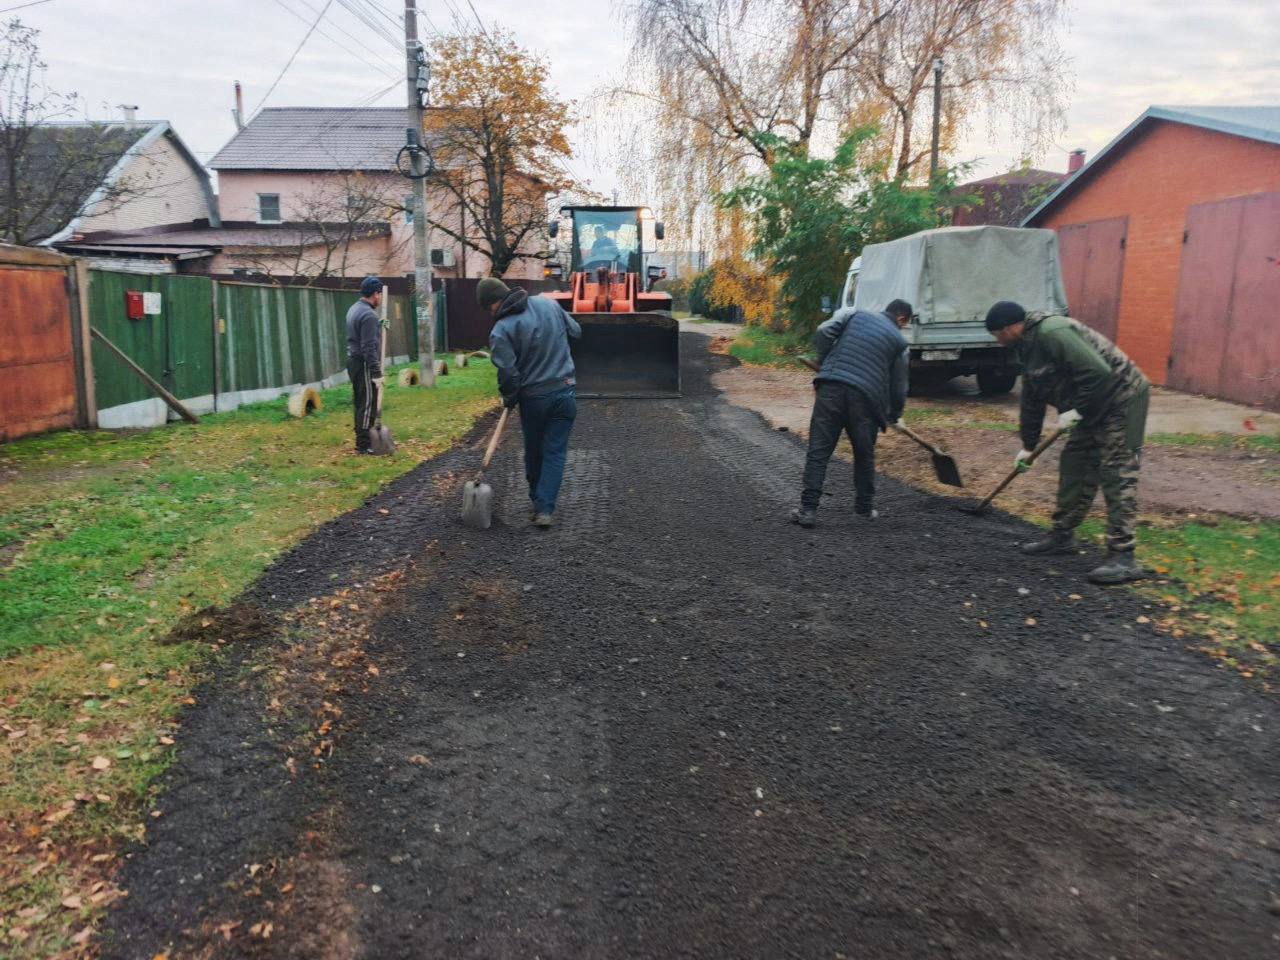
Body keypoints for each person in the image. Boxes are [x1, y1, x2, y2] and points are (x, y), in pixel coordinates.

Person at [984, 300, 1151, 584]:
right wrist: (1028, 445)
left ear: (1012, 327)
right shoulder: (1025, 348)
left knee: (1116, 472)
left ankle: (1124, 557)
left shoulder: (1052, 332)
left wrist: (1077, 409)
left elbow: (1097, 372)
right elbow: (1032, 399)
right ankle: (1062, 536)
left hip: (1122, 398)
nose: (998, 342)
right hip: (1091, 406)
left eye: (998, 334)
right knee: (1075, 462)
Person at [790, 299, 913, 528]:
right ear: (901, 319)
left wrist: (825, 360)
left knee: (819, 450)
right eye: (904, 325)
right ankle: (864, 509)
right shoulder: (899, 344)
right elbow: (899, 388)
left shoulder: (854, 314)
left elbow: (823, 331)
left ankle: (808, 510)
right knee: (864, 454)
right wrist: (894, 414)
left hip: (831, 388)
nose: (902, 329)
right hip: (865, 401)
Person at [479, 277, 582, 528]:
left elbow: (508, 373)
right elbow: (576, 331)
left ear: (494, 304)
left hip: (535, 399)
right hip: (565, 391)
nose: (491, 314)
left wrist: (509, 396)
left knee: (535, 451)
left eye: (488, 309)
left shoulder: (501, 329)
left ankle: (538, 499)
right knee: (555, 452)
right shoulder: (549, 304)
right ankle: (544, 508)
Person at [345, 276, 383, 455]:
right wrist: (376, 373)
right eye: (379, 294)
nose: (380, 298)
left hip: (353, 362)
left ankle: (361, 440)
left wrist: (379, 326)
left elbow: (361, 335)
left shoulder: (354, 309)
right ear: (375, 294)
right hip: (364, 364)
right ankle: (364, 444)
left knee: (360, 403)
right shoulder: (369, 315)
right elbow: (368, 347)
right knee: (368, 403)